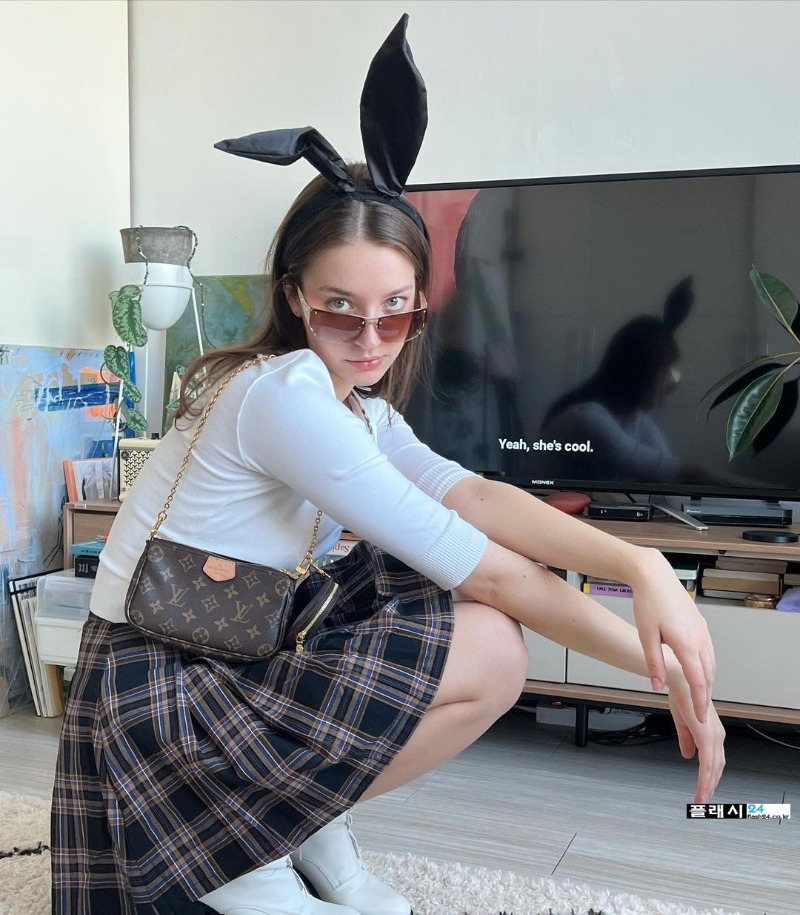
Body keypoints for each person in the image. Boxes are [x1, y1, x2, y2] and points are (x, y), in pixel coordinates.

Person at [51, 16, 725, 915]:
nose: (370, 340)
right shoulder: (285, 395)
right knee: (481, 627)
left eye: (396, 311)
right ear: (294, 295)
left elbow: (473, 494)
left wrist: (639, 564)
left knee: (460, 617)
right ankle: (243, 843)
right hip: (159, 693)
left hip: (233, 653)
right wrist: (671, 668)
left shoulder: (356, 408)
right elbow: (489, 568)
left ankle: (295, 826)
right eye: (340, 309)